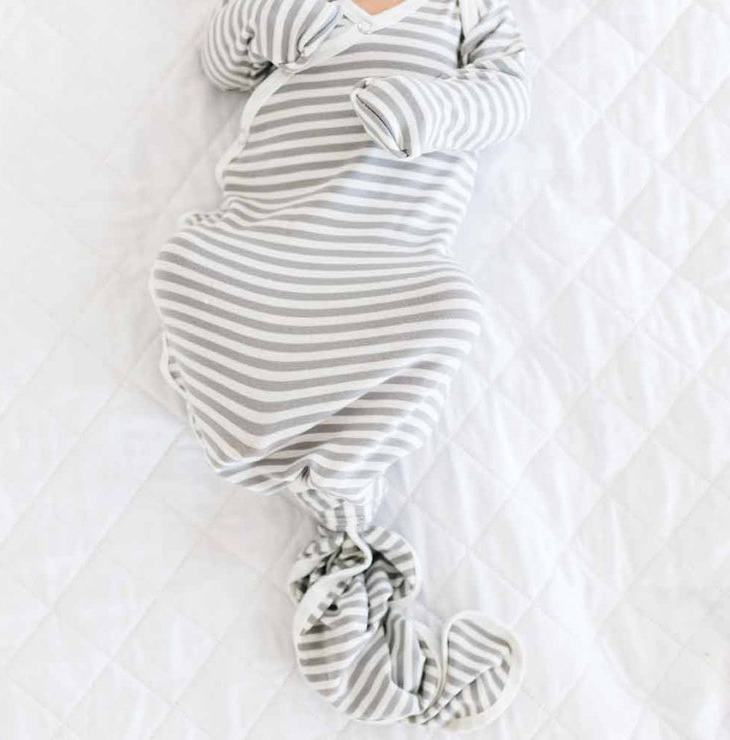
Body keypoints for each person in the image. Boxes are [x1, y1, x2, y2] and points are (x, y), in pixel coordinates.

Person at [148, 0, 531, 728]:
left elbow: (508, 98)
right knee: (189, 263)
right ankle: (256, 408)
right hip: (266, 247)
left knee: (449, 308)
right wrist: (271, 17)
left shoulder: (468, 15)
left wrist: (434, 110)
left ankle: (342, 487)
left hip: (378, 265)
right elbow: (219, 63)